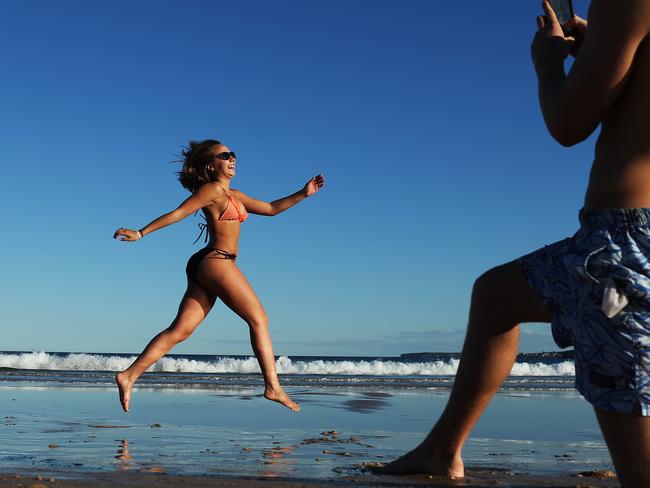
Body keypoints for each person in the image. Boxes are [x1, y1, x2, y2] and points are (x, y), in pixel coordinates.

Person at [383, 1, 650, 485]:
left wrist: (549, 64)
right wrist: (601, 50)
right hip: (620, 237)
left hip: (627, 240)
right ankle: (443, 450)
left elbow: (569, 123)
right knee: (496, 295)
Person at [113, 139, 324, 413]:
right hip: (217, 261)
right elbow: (179, 213)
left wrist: (303, 193)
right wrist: (141, 233)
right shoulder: (211, 190)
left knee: (181, 330)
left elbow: (271, 209)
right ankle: (272, 387)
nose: (232, 158)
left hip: (206, 263)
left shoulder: (235, 195)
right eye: (225, 155)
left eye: (233, 153)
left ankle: (129, 375)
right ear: (212, 165)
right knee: (259, 319)